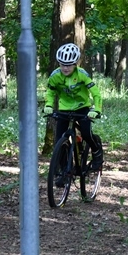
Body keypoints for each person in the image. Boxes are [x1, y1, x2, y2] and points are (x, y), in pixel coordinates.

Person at [44, 43, 104, 174]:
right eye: (62, 64)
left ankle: (96, 151)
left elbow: (96, 93)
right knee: (59, 140)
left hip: (82, 107)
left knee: (86, 133)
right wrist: (48, 105)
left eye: (69, 65)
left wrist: (97, 109)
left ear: (75, 63)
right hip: (64, 109)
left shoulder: (82, 74)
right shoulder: (55, 76)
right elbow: (50, 92)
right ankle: (64, 170)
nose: (65, 68)